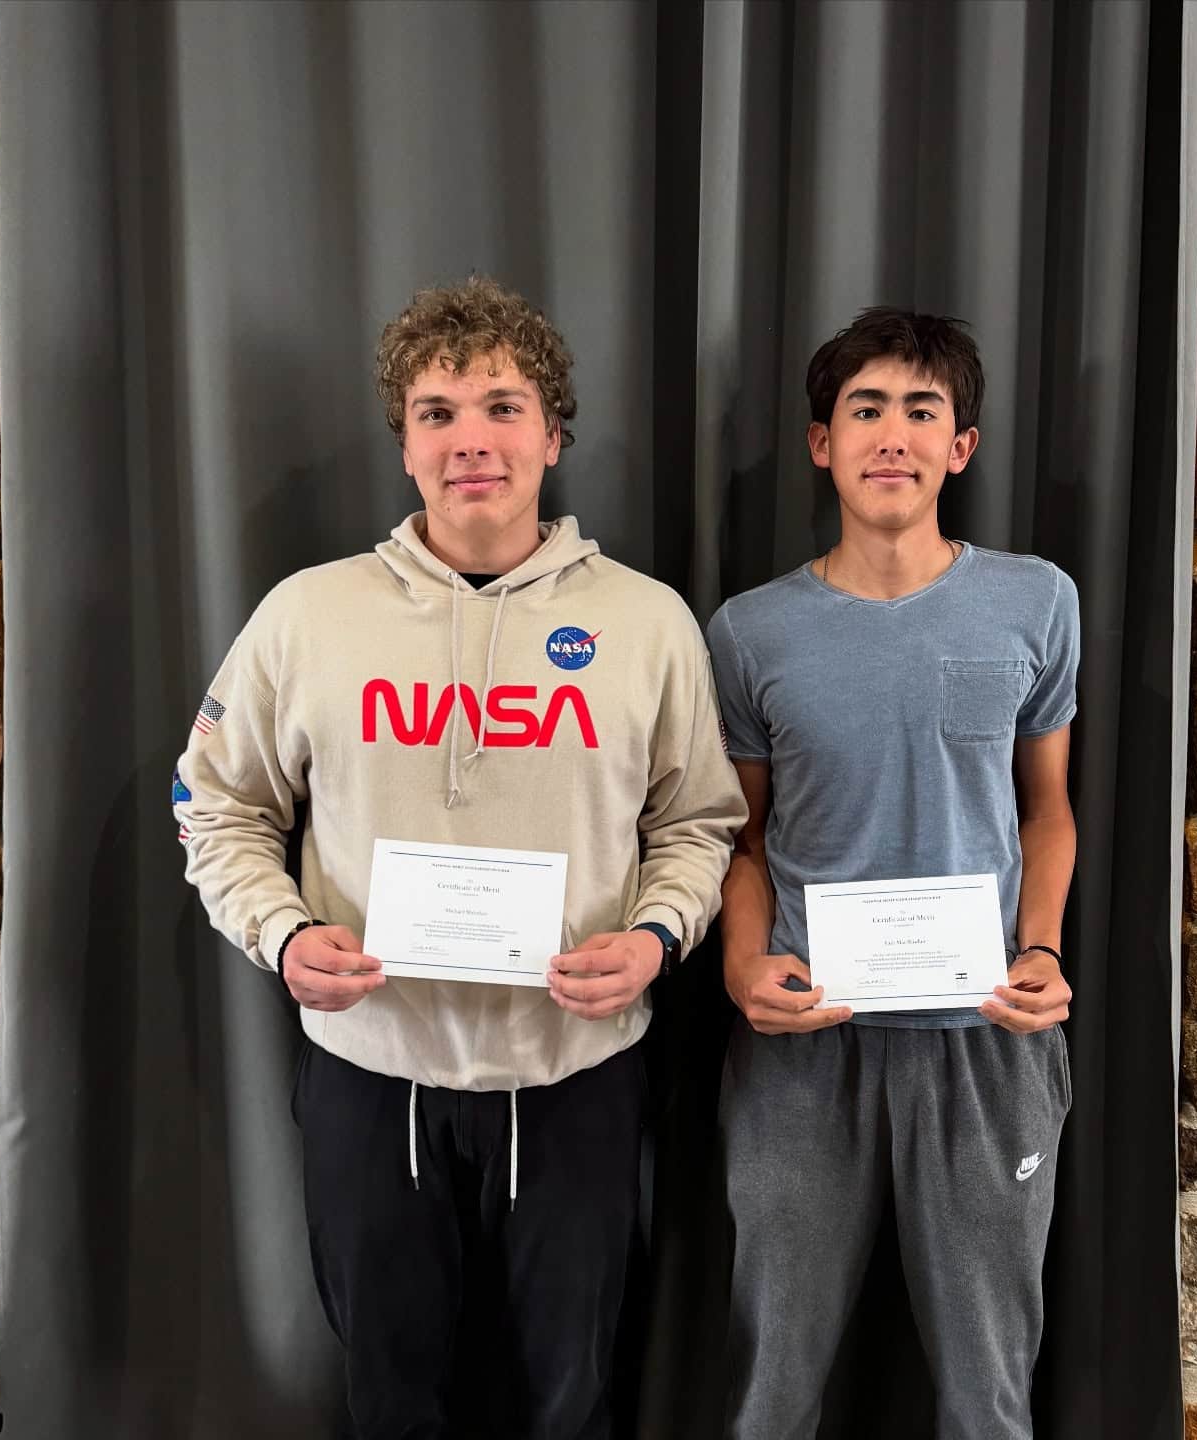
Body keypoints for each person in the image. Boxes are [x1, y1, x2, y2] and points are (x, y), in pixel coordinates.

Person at [172, 276, 746, 1440]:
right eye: (435, 412)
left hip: (578, 1070)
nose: (469, 437)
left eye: (499, 405)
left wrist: (654, 939)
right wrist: (281, 937)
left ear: (552, 433)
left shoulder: (648, 624)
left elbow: (699, 824)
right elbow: (215, 803)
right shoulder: (308, 614)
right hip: (372, 1072)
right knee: (390, 1397)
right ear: (404, 446)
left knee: (573, 1398)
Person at [706, 306, 1079, 1440]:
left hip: (987, 1044)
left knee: (987, 1395)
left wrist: (1044, 950)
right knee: (774, 1388)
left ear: (959, 446)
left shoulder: (1036, 601)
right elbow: (739, 837)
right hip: (806, 1044)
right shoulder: (750, 632)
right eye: (865, 409)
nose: (892, 435)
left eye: (922, 411)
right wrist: (739, 969)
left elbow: (1048, 809)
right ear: (822, 441)